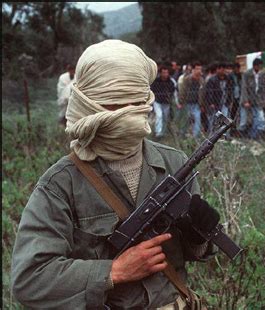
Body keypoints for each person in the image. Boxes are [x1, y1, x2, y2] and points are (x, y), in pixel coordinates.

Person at [10, 39, 220, 309]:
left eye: (135, 103)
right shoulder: (61, 184)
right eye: (115, 105)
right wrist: (114, 271)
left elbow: (191, 254)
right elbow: (29, 280)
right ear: (89, 103)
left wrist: (199, 238)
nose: (128, 115)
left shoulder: (174, 163)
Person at [239, 58, 265, 140]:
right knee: (244, 121)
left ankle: (254, 136)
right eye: (259, 66)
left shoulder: (261, 74)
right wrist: (245, 100)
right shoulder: (247, 74)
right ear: (255, 66)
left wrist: (263, 100)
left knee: (260, 119)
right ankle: (242, 136)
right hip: (247, 99)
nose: (260, 68)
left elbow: (262, 89)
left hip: (257, 100)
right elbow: (244, 88)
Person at [178, 61, 205, 138]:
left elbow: (203, 94)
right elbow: (182, 91)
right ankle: (182, 134)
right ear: (192, 70)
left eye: (200, 69)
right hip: (187, 103)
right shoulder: (187, 79)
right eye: (197, 69)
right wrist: (181, 102)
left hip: (197, 104)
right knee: (186, 120)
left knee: (197, 119)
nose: (199, 71)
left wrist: (202, 105)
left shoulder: (202, 80)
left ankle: (195, 137)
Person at [204, 62, 233, 133]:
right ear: (217, 70)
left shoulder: (228, 79)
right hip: (215, 104)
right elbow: (209, 92)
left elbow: (230, 90)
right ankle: (212, 135)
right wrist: (211, 102)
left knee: (225, 120)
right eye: (221, 69)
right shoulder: (212, 80)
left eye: (224, 69)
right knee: (214, 120)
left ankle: (224, 135)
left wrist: (230, 100)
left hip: (225, 103)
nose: (223, 71)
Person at [150, 65, 177, 138]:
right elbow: (152, 90)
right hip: (157, 101)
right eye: (163, 73)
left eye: (166, 73)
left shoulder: (171, 81)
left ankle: (163, 132)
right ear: (160, 73)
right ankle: (158, 133)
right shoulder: (156, 81)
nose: (165, 74)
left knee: (165, 117)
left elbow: (173, 91)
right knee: (159, 115)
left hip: (166, 102)